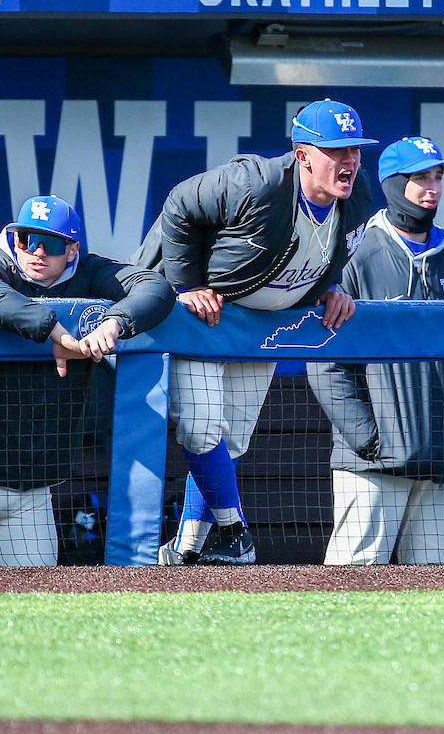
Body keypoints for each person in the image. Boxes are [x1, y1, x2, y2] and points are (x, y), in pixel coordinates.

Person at [135, 98, 376, 565]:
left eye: (355, 150)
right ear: (303, 155)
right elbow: (179, 205)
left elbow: (328, 251)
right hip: (203, 315)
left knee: (234, 439)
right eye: (336, 150)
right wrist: (186, 283)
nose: (348, 161)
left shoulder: (358, 197)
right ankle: (236, 534)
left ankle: (186, 549)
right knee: (201, 428)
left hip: (260, 326)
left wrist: (332, 287)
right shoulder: (258, 181)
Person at [0, 195, 174, 567]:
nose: (37, 252)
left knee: (35, 601)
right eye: (27, 239)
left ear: (73, 249)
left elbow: (156, 289)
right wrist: (54, 331)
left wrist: (114, 322)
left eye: (53, 243)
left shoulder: (89, 272)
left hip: (36, 484)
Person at [306, 136, 444, 565]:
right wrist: (371, 441)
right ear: (393, 184)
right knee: (355, 581)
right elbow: (324, 361)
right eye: (419, 178)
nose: (432, 187)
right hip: (373, 465)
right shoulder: (354, 253)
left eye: (437, 176)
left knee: (436, 589)